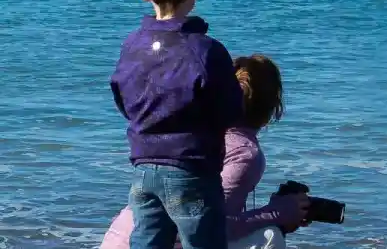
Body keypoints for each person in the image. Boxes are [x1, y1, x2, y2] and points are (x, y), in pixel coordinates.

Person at [110, 0, 246, 249]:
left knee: (147, 242)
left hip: (143, 168)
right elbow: (231, 109)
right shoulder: (206, 50)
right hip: (191, 170)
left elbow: (122, 94)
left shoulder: (132, 45)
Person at [102, 53, 310, 249]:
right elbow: (209, 226)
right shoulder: (244, 153)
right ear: (273, 108)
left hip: (118, 239)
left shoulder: (190, 131)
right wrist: (276, 213)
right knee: (270, 236)